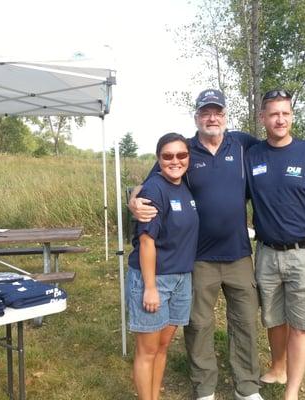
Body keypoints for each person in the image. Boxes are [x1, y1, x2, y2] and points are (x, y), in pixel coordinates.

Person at [129, 89, 305, 400]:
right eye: (205, 112)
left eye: (218, 112)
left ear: (226, 116)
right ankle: (205, 389)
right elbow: (150, 183)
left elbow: (279, 147)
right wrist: (133, 199)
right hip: (198, 257)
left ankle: (247, 388)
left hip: (239, 255)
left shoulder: (242, 145)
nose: (212, 118)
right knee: (199, 326)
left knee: (245, 323)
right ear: (196, 117)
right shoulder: (184, 151)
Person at [245, 89, 305, 400]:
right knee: (273, 319)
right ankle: (278, 368)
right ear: (262, 118)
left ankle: (292, 392)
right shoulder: (253, 155)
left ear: (292, 116)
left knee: (301, 324)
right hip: (267, 254)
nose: (280, 119)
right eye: (273, 114)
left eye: (285, 113)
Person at [126, 132, 199, 400]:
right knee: (147, 351)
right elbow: (146, 242)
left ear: (188, 158)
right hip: (155, 280)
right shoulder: (155, 189)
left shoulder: (185, 185)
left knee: (163, 346)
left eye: (181, 155)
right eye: (167, 156)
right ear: (158, 159)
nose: (175, 161)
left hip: (181, 279)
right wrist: (150, 287)